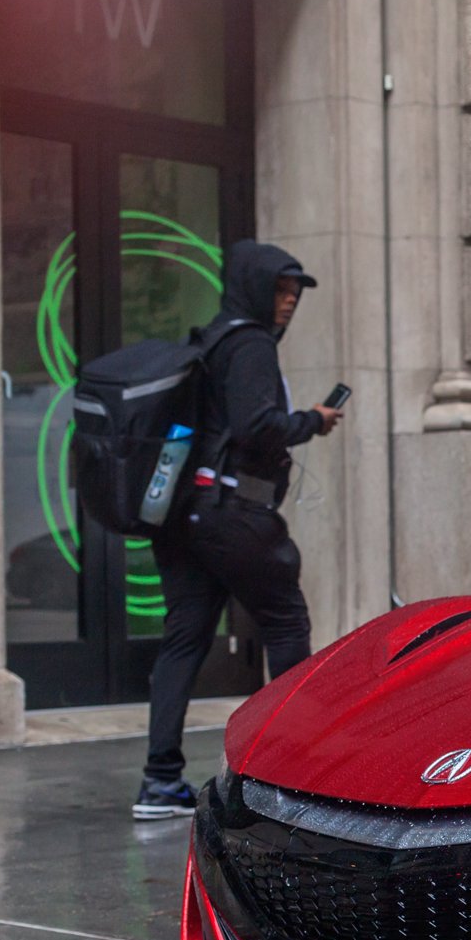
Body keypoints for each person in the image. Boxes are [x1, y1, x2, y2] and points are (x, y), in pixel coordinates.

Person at [133, 240, 342, 819]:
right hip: (233, 512)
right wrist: (312, 420)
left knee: (184, 639)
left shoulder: (209, 340)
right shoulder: (250, 343)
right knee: (286, 624)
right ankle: (292, 776)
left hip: (186, 515)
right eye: (280, 289)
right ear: (253, 288)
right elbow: (256, 427)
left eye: (294, 292)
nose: (289, 301)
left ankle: (159, 782)